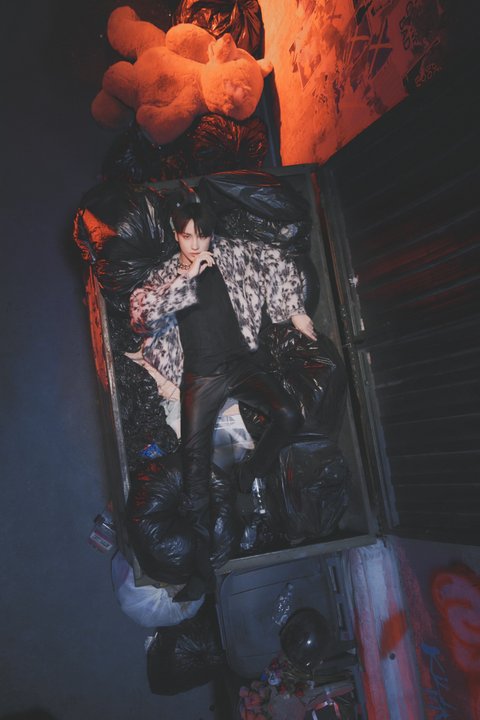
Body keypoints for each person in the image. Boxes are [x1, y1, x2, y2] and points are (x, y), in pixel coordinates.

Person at [130, 186, 316, 599]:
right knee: (194, 473)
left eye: (203, 235)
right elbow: (140, 313)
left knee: (289, 415)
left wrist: (295, 310)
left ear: (212, 234)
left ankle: (250, 474)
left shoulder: (231, 254)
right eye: (187, 237)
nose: (197, 245)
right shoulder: (165, 275)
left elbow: (277, 259)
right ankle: (201, 573)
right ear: (176, 236)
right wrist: (185, 279)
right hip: (199, 378)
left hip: (240, 365)